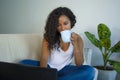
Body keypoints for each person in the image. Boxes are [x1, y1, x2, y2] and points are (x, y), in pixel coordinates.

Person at [19, 7, 95, 80]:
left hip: (65, 69)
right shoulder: (48, 37)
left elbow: (79, 64)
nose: (63, 28)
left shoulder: (77, 38)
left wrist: (75, 44)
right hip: (49, 69)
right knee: (22, 63)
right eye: (58, 25)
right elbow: (44, 59)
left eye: (65, 23)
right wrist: (44, 74)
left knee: (90, 71)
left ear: (71, 22)